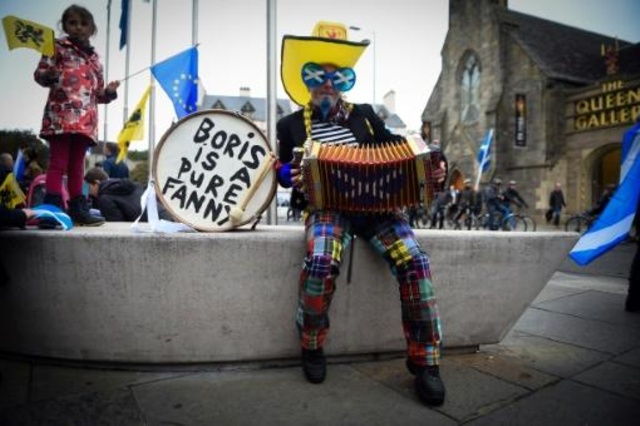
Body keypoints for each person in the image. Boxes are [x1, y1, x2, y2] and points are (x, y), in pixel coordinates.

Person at [275, 21, 446, 407]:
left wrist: (434, 162)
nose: (328, 85)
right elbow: (284, 175)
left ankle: (426, 361)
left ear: (345, 83)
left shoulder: (366, 115)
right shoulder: (289, 124)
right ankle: (312, 343)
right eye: (318, 77)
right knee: (320, 261)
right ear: (307, 82)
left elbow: (402, 149)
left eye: (338, 78)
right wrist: (288, 172)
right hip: (326, 208)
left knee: (415, 261)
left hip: (379, 209)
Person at [34, 4, 119, 227]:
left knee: (77, 165)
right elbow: (40, 74)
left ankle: (78, 208)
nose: (78, 27)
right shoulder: (56, 47)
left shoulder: (96, 60)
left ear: (92, 28)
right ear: (64, 26)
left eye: (83, 24)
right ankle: (51, 210)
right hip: (61, 117)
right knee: (57, 163)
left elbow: (98, 94)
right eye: (73, 23)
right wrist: (49, 75)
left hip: (86, 121)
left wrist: (109, 92)